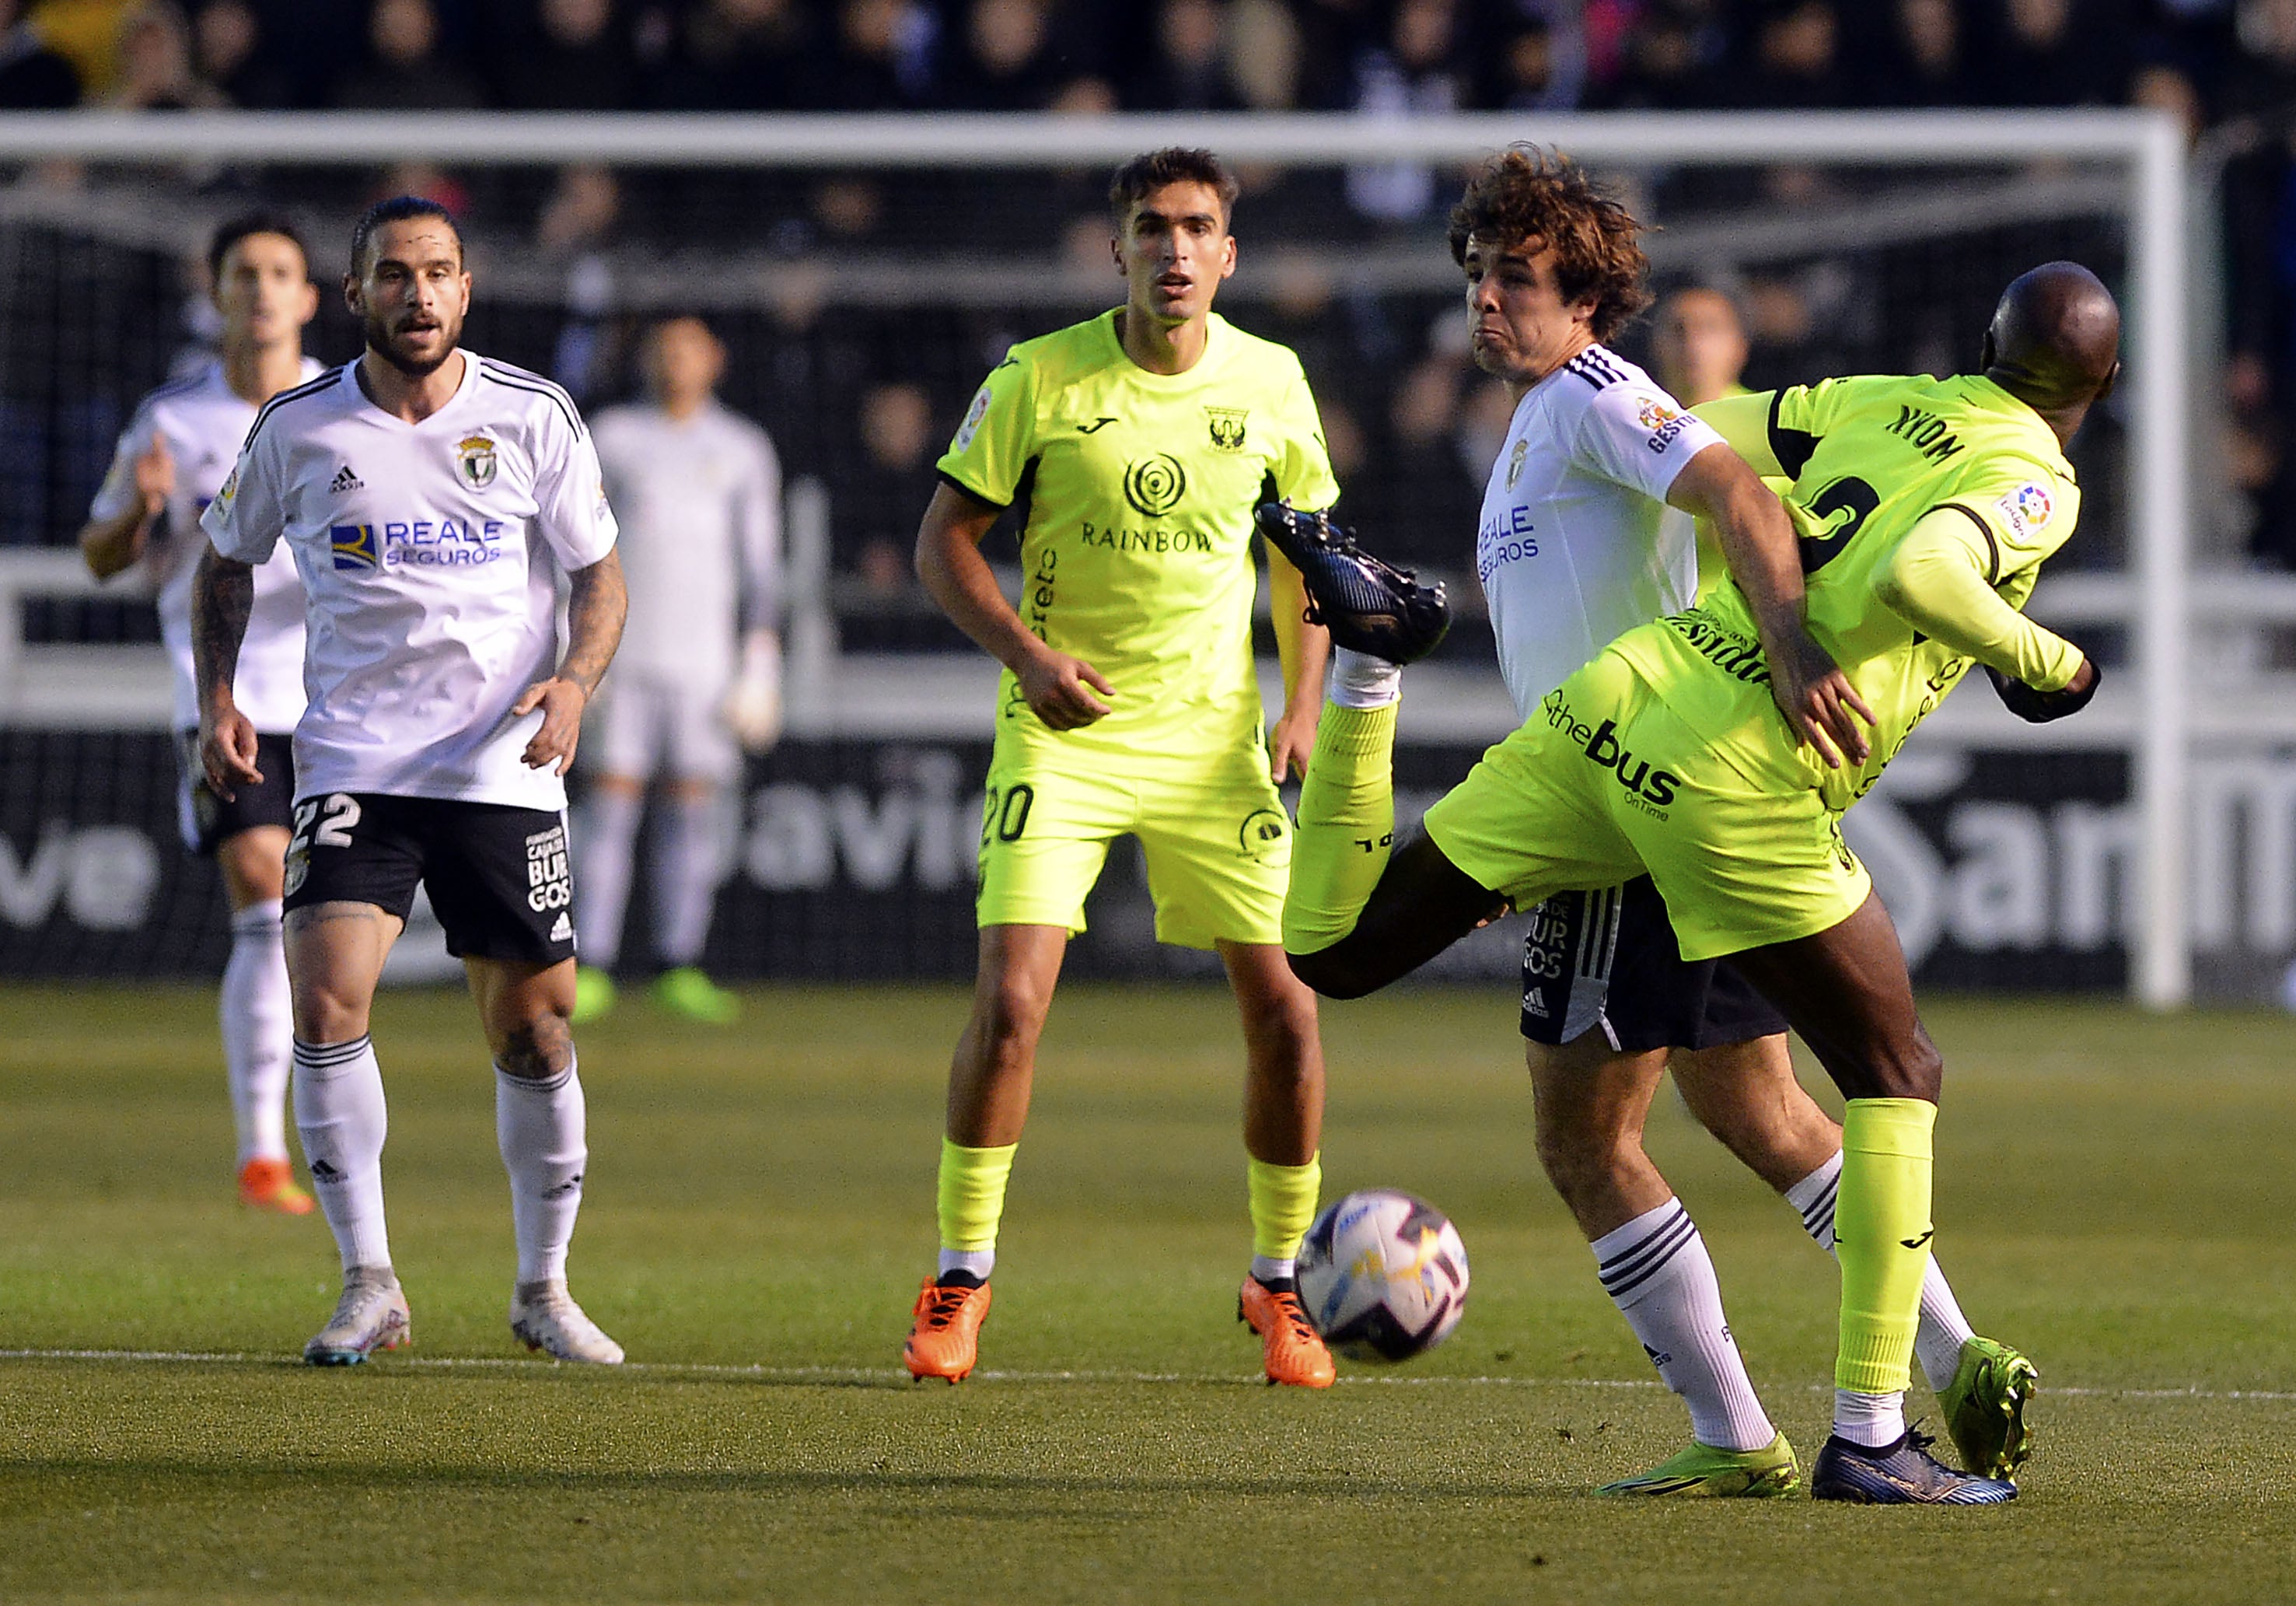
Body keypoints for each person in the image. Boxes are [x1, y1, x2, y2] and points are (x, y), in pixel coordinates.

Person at [1265, 257, 2118, 1503]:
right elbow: (1924, 577)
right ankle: (1873, 1431)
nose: (1492, 302)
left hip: (1613, 707)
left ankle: (1369, 669)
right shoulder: (2035, 474)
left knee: (1338, 951)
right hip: (1735, 772)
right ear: (2097, 387)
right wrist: (2051, 660)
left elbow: (1716, 436)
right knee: (1892, 1073)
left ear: (1986, 342)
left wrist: (1724, 534)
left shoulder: (1883, 398)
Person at [1417, 149, 2031, 1497]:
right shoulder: (1537, 419)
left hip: (1631, 806)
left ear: (1581, 297)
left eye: (1512, 278)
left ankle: (1735, 1434)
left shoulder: (1591, 395)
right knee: (1757, 1104)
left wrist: (1793, 646)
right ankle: (1956, 1355)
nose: (1484, 301)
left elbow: (1733, 495)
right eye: (1475, 277)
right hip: (1657, 798)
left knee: (1582, 1139)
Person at [902, 147, 1338, 1388]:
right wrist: (1028, 657)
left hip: (1213, 742)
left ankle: (1277, 1283)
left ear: (1229, 253)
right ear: (1120, 249)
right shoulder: (1039, 376)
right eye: (1154, 228)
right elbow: (942, 545)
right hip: (1065, 729)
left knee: (1290, 1018)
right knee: (1014, 1007)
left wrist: (1301, 702)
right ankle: (961, 1274)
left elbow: (1305, 560)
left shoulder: (1273, 381)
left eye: (1199, 228)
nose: (1177, 250)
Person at [194, 195, 630, 1366]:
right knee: (326, 1004)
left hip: (502, 764)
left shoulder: (533, 414)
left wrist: (578, 684)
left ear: (467, 288)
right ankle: (369, 1281)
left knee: (536, 1029)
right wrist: (219, 701)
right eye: (394, 275)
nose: (419, 294)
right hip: (354, 762)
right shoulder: (299, 426)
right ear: (357, 297)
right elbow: (223, 561)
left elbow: (600, 579)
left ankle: (543, 1286)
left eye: (438, 272)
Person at [80, 212, 325, 1216]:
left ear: (311, 298)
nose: (262, 290)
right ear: (215, 291)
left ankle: (334, 1134)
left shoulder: (339, 410)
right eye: (244, 273)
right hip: (221, 686)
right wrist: (139, 514)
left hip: (345, 691)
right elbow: (100, 557)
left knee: (322, 923)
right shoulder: (172, 421)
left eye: (280, 273)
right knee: (263, 888)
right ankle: (263, 1149)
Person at [572, 314, 781, 1027]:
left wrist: (758, 662)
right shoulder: (612, 437)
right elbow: (575, 553)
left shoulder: (742, 447)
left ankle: (679, 961)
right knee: (610, 807)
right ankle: (591, 961)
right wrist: (574, 659)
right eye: (664, 349)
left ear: (715, 359)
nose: (677, 362)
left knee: (691, 812)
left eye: (690, 349)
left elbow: (760, 567)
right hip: (622, 658)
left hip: (704, 664)